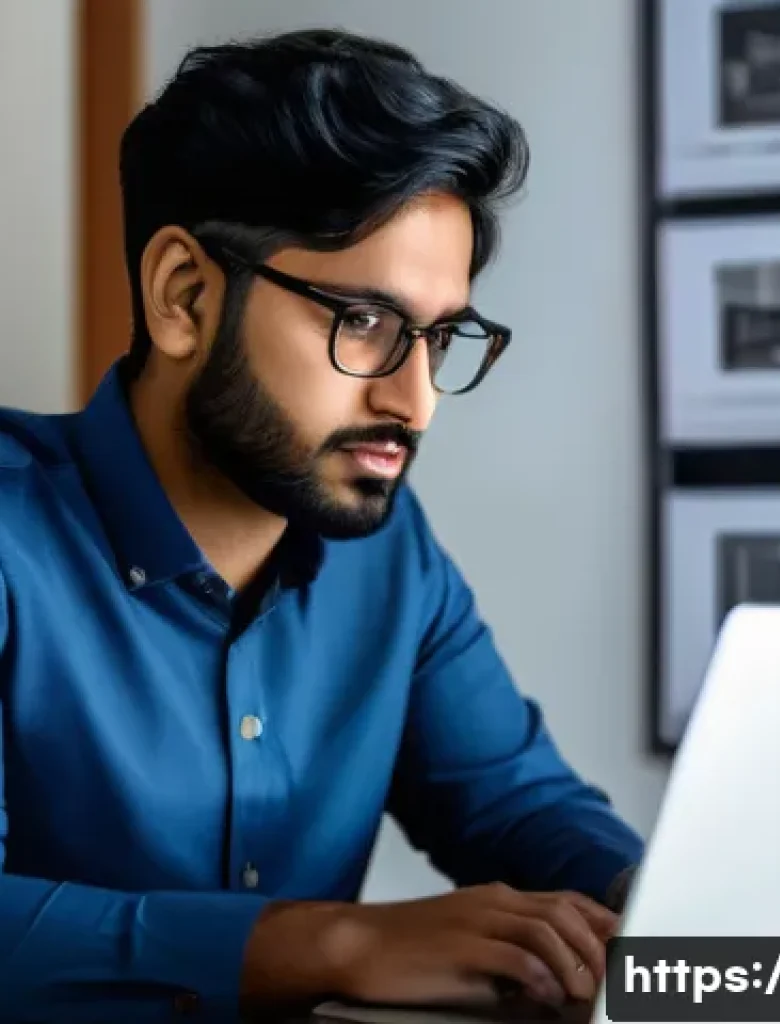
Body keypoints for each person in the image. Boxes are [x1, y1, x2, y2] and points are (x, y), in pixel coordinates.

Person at [0, 26, 644, 1023]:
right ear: (184, 297)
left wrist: (653, 910)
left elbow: (517, 806)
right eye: (367, 323)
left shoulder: (389, 556)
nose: (416, 401)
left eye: (439, 338)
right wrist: (328, 944)